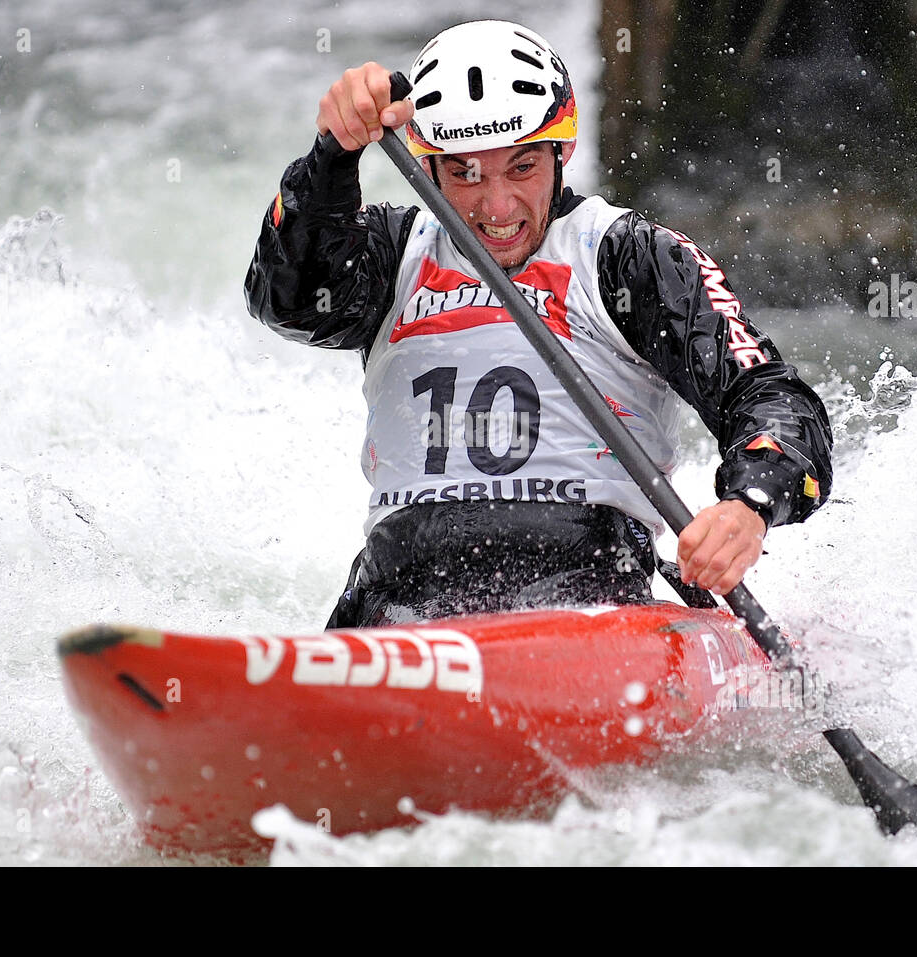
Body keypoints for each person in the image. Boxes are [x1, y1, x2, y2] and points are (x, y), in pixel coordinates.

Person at [244, 20, 833, 628]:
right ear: (427, 166)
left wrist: (750, 504)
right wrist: (333, 156)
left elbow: (767, 394)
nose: (496, 208)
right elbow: (284, 299)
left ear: (563, 151)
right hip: (401, 603)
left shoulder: (627, 259)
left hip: (590, 599)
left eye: (522, 167)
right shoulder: (393, 254)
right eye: (465, 173)